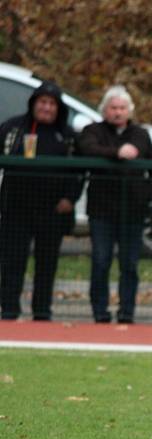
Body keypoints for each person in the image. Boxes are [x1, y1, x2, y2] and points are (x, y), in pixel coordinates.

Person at [77, 85, 152, 324]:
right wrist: (117, 152)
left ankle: (127, 312)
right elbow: (87, 150)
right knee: (101, 261)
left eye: (122, 108)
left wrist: (148, 197)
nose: (117, 112)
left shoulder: (140, 134)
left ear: (129, 110)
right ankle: (100, 312)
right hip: (101, 211)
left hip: (132, 211)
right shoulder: (92, 131)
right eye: (113, 107)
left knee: (129, 265)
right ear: (105, 110)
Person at [0, 81, 82, 321]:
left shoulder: (67, 136)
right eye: (42, 102)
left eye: (51, 104)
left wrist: (70, 198)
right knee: (12, 261)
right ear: (34, 104)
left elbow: (79, 172)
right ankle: (9, 308)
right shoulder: (13, 128)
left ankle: (42, 311)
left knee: (47, 264)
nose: (46, 108)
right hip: (16, 208)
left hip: (52, 210)